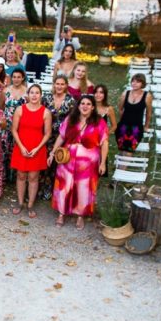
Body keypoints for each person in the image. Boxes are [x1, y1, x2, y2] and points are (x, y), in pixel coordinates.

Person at [50, 94, 108, 228]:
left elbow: (104, 143)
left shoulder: (99, 122)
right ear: (78, 105)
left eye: (88, 104)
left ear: (93, 107)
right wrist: (53, 152)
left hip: (88, 162)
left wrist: (103, 162)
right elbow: (61, 136)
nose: (85, 106)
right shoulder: (71, 119)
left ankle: (80, 215)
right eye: (82, 103)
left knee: (83, 188)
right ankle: (61, 213)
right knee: (65, 185)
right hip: (67, 159)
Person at [8, 84, 49, 217]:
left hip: (37, 148)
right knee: (21, 175)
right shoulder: (20, 109)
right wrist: (21, 146)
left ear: (41, 95)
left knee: (33, 177)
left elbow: (47, 133)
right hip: (22, 146)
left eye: (37, 93)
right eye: (32, 92)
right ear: (28, 95)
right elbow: (14, 129)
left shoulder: (45, 112)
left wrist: (38, 148)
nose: (34, 95)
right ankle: (20, 202)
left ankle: (30, 204)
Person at [2, 69, 29, 184]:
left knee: (17, 150)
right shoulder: (6, 90)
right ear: (11, 78)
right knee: (5, 149)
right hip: (7, 124)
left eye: (19, 77)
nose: (16, 79)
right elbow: (1, 106)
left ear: (23, 78)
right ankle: (4, 176)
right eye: (14, 77)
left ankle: (16, 176)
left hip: (22, 125)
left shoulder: (27, 92)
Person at [115, 74, 154, 154]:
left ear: (142, 84)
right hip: (123, 126)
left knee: (129, 151)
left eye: (137, 82)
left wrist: (146, 126)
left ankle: (121, 167)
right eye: (133, 81)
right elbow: (120, 109)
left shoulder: (147, 96)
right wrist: (121, 121)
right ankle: (119, 166)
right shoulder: (125, 93)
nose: (134, 83)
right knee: (122, 149)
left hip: (136, 128)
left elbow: (149, 113)